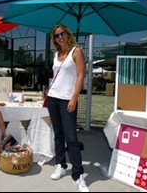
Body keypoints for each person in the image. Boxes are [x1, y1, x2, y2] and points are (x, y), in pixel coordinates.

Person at [46, 25, 89, 192]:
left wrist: (74, 97)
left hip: (67, 100)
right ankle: (61, 165)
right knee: (58, 135)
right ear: (54, 39)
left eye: (62, 33)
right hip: (53, 98)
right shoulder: (56, 55)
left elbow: (80, 75)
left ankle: (77, 175)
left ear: (68, 34)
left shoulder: (76, 51)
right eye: (57, 36)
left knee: (71, 138)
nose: (60, 37)